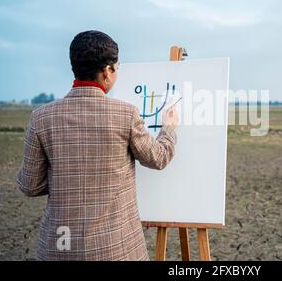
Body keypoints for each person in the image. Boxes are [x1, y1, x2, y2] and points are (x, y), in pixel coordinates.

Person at [16, 30, 178, 260]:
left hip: (60, 247)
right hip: (116, 249)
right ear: (107, 71)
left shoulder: (41, 117)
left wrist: (65, 180)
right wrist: (169, 127)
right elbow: (159, 158)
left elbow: (29, 185)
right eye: (117, 68)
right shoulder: (125, 114)